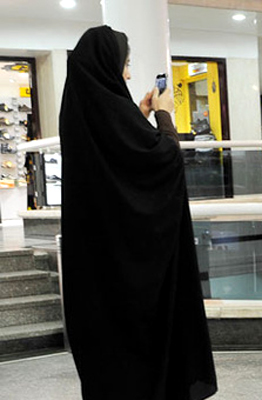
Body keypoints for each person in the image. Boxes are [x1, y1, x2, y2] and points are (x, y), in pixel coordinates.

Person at [59, 26, 217, 400]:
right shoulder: (113, 109)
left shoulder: (79, 107)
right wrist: (163, 115)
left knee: (107, 355)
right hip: (129, 269)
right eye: (125, 64)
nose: (128, 75)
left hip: (94, 266)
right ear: (109, 65)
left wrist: (138, 115)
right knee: (139, 354)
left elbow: (117, 157)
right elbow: (164, 160)